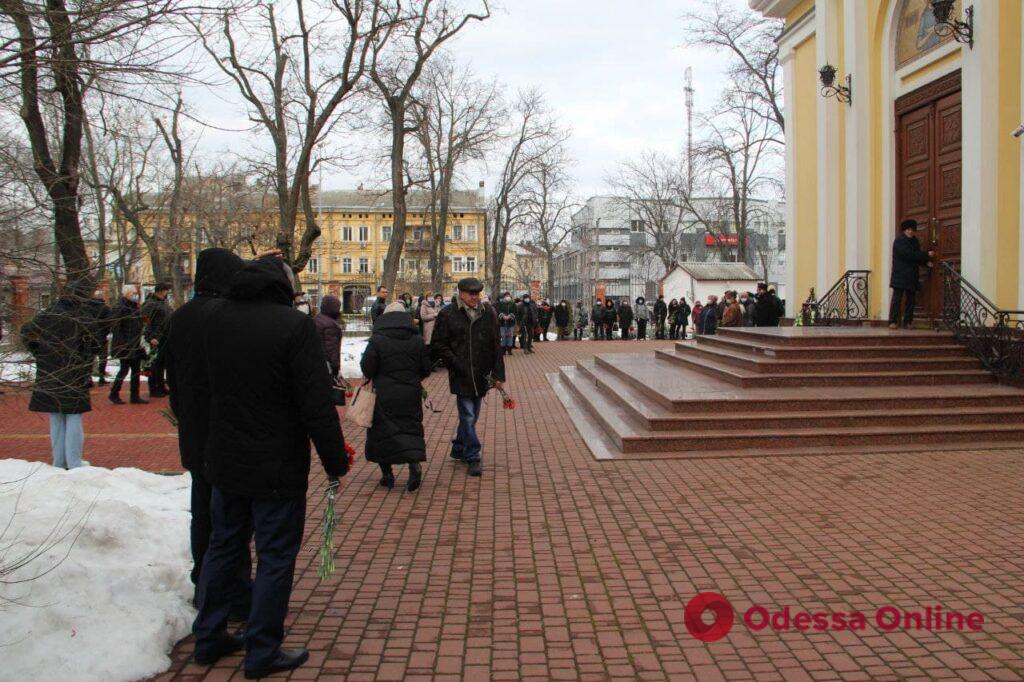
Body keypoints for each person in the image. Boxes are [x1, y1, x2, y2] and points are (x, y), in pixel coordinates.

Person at [192, 256, 349, 679]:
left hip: (225, 459)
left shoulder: (216, 319)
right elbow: (315, 402)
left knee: (223, 546)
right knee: (276, 556)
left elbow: (204, 389)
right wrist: (335, 458)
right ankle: (262, 650)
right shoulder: (292, 325)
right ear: (282, 287)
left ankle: (208, 637)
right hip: (276, 466)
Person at [164, 248, 251, 617]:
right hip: (227, 436)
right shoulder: (227, 317)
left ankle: (203, 583)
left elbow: (168, 375)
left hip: (194, 433)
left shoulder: (179, 317)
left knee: (202, 512)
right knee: (231, 520)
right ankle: (233, 593)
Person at [431, 277, 506, 478]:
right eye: (471, 293)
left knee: (472, 416)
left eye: (477, 293)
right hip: (461, 373)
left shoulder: (488, 312)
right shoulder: (447, 314)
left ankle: (458, 447)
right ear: (460, 293)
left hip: (482, 373)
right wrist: (455, 362)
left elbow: (495, 345)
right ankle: (473, 456)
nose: (474, 297)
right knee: (468, 415)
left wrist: (498, 375)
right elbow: (439, 344)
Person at [361, 301, 432, 492]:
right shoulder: (416, 339)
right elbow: (426, 368)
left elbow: (367, 368)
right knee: (410, 427)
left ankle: (387, 474)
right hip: (410, 392)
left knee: (382, 431)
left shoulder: (377, 339)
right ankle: (414, 464)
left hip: (384, 393)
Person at [21, 287, 92, 470]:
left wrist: (39, 351)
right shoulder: (80, 317)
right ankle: (74, 462)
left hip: (49, 371)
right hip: (74, 372)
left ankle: (58, 461)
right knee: (74, 416)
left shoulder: (47, 314)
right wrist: (84, 360)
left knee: (56, 418)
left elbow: (25, 331)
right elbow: (92, 343)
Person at [889, 219, 934, 329]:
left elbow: (916, 256)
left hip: (912, 275)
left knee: (911, 300)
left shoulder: (915, 241)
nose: (910, 232)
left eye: (912, 230)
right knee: (897, 299)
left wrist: (925, 262)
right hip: (900, 274)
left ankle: (908, 322)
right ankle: (893, 321)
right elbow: (908, 255)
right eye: (908, 229)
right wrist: (926, 255)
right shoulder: (899, 241)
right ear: (904, 230)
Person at [109, 285, 147, 405]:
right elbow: (116, 327)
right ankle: (114, 394)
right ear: (127, 293)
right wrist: (122, 344)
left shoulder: (134, 307)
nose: (135, 295)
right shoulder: (120, 307)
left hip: (135, 343)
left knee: (136, 370)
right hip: (125, 345)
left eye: (136, 293)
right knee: (124, 370)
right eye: (133, 293)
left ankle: (135, 396)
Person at [142, 282, 172, 398]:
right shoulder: (150, 304)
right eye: (166, 291)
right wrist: (150, 337)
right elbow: (146, 322)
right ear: (161, 291)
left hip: (164, 337)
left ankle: (161, 386)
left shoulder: (163, 303)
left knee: (162, 364)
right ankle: (153, 388)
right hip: (156, 338)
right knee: (155, 364)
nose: (167, 293)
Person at [83, 290, 112, 386]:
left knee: (89, 358)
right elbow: (109, 323)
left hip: (88, 336)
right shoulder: (105, 308)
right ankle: (101, 378)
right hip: (102, 336)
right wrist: (106, 332)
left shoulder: (86, 308)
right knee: (103, 358)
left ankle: (88, 378)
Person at [314, 295, 344, 378]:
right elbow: (331, 349)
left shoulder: (317, 318)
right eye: (338, 307)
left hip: (317, 362)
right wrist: (335, 368)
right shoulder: (331, 325)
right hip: (327, 366)